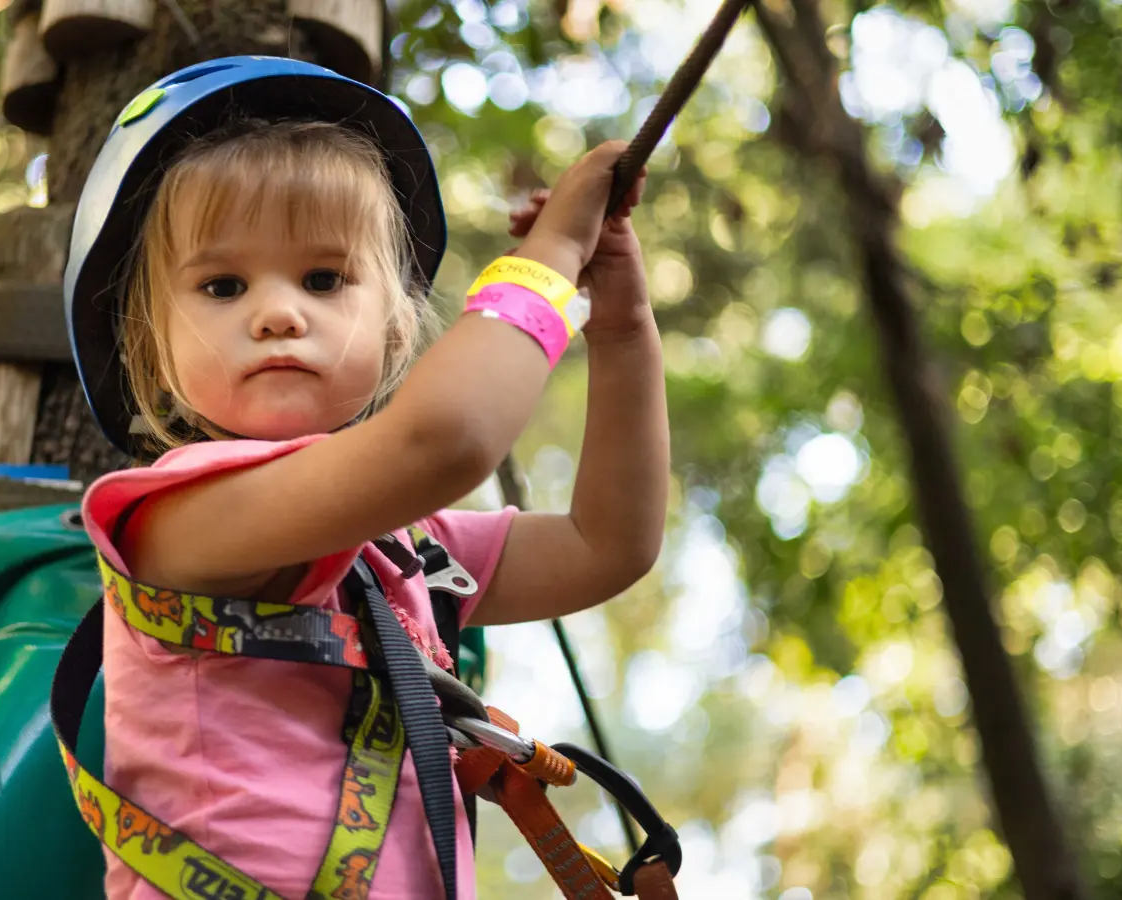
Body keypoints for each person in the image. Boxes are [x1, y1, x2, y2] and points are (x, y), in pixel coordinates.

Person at [61, 56, 669, 900]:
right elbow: (447, 439)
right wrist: (552, 255)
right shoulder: (181, 517)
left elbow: (608, 544)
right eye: (222, 285)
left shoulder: (401, 553)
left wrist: (625, 329)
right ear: (152, 345)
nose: (277, 312)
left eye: (322, 278)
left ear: (393, 330)